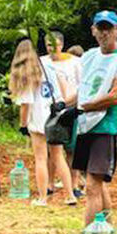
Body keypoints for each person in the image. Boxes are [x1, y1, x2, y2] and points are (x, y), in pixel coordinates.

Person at [57, 10, 117, 234]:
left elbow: (115, 96)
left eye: (109, 28)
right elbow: (85, 89)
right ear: (93, 30)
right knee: (99, 185)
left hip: (108, 126)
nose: (104, 32)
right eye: (99, 27)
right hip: (86, 125)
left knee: (92, 185)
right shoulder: (90, 56)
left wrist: (81, 108)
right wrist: (62, 104)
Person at [8, 39, 76, 207]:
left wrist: (23, 126)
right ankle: (70, 196)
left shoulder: (26, 74)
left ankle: (43, 198)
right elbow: (65, 92)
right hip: (56, 118)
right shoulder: (49, 68)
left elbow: (25, 105)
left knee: (40, 159)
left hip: (38, 121)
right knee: (58, 157)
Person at [42, 30, 84, 198]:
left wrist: (71, 103)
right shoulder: (42, 62)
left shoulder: (75, 62)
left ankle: (74, 184)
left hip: (70, 109)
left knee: (72, 150)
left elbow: (83, 87)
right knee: (51, 149)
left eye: (55, 45)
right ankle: (50, 183)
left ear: (62, 45)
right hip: (49, 110)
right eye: (49, 45)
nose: (52, 48)